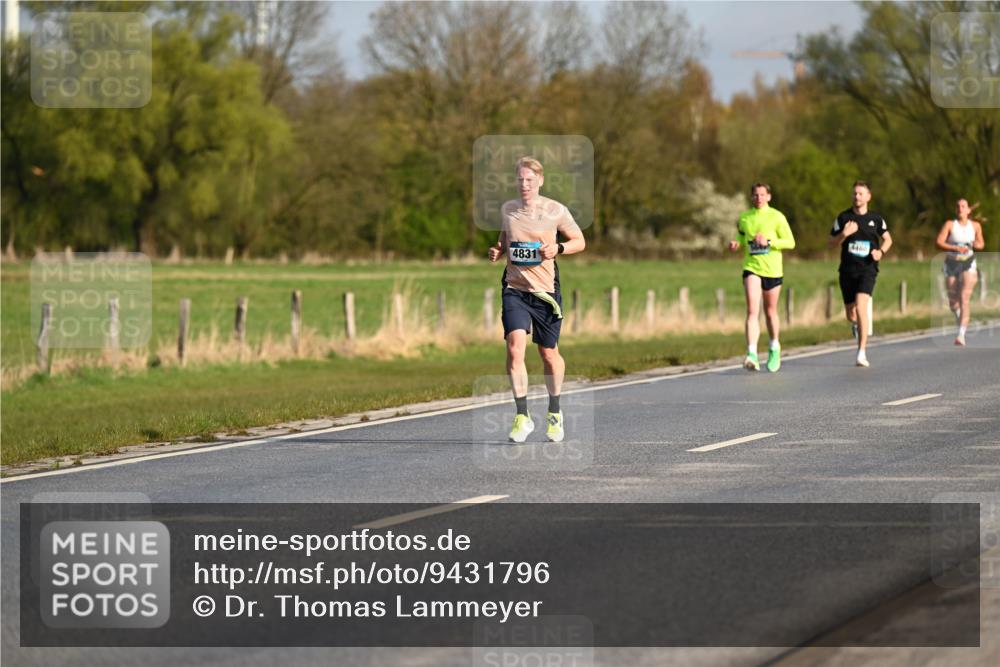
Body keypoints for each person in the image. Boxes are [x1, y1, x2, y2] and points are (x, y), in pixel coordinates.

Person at [488, 157, 585, 443]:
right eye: (520, 180)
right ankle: (522, 416)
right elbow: (505, 241)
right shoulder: (509, 209)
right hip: (514, 289)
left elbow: (580, 240)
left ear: (540, 181)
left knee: (548, 354)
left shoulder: (555, 210)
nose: (524, 185)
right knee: (515, 348)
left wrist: (559, 248)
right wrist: (498, 251)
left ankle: (554, 411)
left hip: (545, 291)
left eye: (529, 180)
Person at [727, 183, 796, 372]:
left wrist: (770, 242)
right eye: (755, 195)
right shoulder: (745, 218)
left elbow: (791, 242)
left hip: (773, 270)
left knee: (771, 311)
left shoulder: (777, 217)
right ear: (751, 197)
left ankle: (774, 346)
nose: (759, 198)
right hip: (752, 268)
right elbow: (742, 237)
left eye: (762, 194)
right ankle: (752, 354)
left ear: (769, 197)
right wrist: (736, 244)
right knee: (752, 310)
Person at [829, 180, 892, 367]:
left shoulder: (876, 219)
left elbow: (888, 240)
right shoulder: (843, 218)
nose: (857, 197)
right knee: (851, 313)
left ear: (868, 197)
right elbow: (830, 244)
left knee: (861, 305)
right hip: (847, 271)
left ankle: (861, 352)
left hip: (868, 269)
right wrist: (844, 234)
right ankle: (857, 326)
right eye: (855, 193)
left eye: (860, 194)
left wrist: (881, 252)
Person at [935, 198, 985, 346]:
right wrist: (954, 248)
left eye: (963, 206)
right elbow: (938, 242)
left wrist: (977, 244)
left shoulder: (975, 226)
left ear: (968, 210)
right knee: (953, 302)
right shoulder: (950, 225)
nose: (960, 208)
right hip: (951, 263)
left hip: (968, 263)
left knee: (964, 297)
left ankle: (961, 334)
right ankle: (959, 317)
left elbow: (981, 243)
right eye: (958, 206)